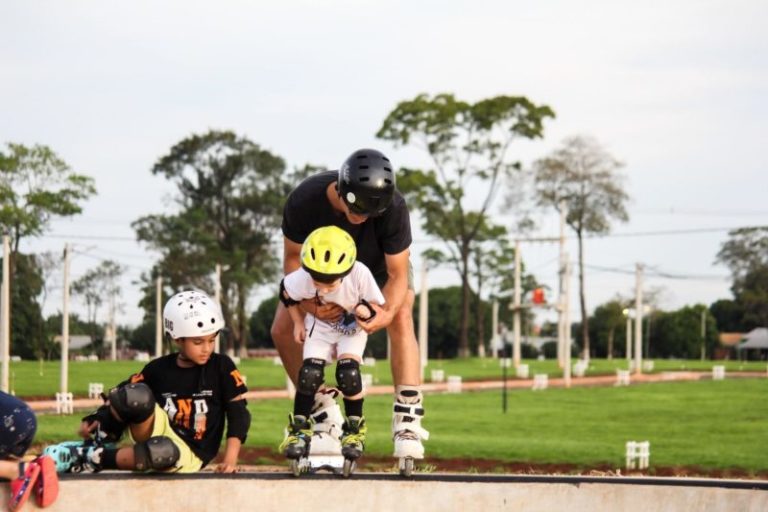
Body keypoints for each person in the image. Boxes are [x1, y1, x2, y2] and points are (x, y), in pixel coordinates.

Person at [271, 148, 429, 462]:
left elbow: (397, 274)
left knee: (401, 316)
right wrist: (307, 305)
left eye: (371, 214)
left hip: (378, 268)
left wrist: (383, 314)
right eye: (357, 210)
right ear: (342, 189)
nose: (362, 219)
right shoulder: (305, 200)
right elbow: (292, 259)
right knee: (281, 328)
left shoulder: (394, 207)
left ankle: (407, 419)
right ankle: (322, 412)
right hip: (321, 272)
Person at [43, 290, 250, 474]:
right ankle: (99, 441)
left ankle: (92, 459)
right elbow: (124, 393)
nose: (206, 348)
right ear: (177, 339)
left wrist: (230, 459)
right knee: (135, 394)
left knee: (160, 451)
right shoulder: (159, 368)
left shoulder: (221, 366)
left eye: (211, 340)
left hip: (192, 452)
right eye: (198, 342)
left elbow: (238, 413)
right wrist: (98, 417)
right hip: (158, 428)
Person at [278, 225, 385, 462]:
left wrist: (365, 309)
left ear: (346, 271)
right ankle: (300, 430)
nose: (324, 289)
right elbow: (286, 293)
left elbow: (378, 306)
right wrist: (297, 323)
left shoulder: (360, 273)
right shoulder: (304, 276)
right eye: (318, 282)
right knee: (309, 374)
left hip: (351, 331)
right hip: (320, 328)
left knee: (348, 374)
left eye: (330, 284)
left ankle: (354, 431)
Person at [0, 392, 58, 511]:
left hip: (7, 422)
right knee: (5, 460)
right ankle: (35, 467)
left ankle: (17, 471)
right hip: (26, 416)